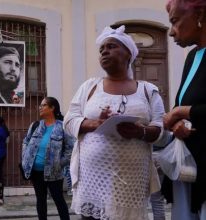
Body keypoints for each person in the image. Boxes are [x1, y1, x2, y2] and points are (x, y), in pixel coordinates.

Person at [63, 25, 165, 220]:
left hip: (131, 181)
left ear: (128, 54)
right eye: (101, 49)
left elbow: (161, 129)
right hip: (93, 181)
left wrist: (140, 133)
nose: (104, 51)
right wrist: (95, 123)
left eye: (111, 46)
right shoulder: (89, 87)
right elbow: (69, 120)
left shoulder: (147, 90)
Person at [162, 0, 206, 219]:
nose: (171, 32)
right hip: (188, 167)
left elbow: (184, 108)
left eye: (175, 21)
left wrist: (181, 113)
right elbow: (182, 102)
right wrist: (177, 122)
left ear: (199, 14)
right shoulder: (192, 57)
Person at [21, 97, 75, 220]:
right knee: (40, 200)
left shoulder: (62, 127)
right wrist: (25, 158)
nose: (40, 107)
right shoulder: (35, 125)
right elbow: (26, 141)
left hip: (54, 172)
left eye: (43, 105)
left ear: (52, 108)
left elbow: (70, 149)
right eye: (40, 105)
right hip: (35, 172)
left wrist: (59, 163)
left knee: (58, 200)